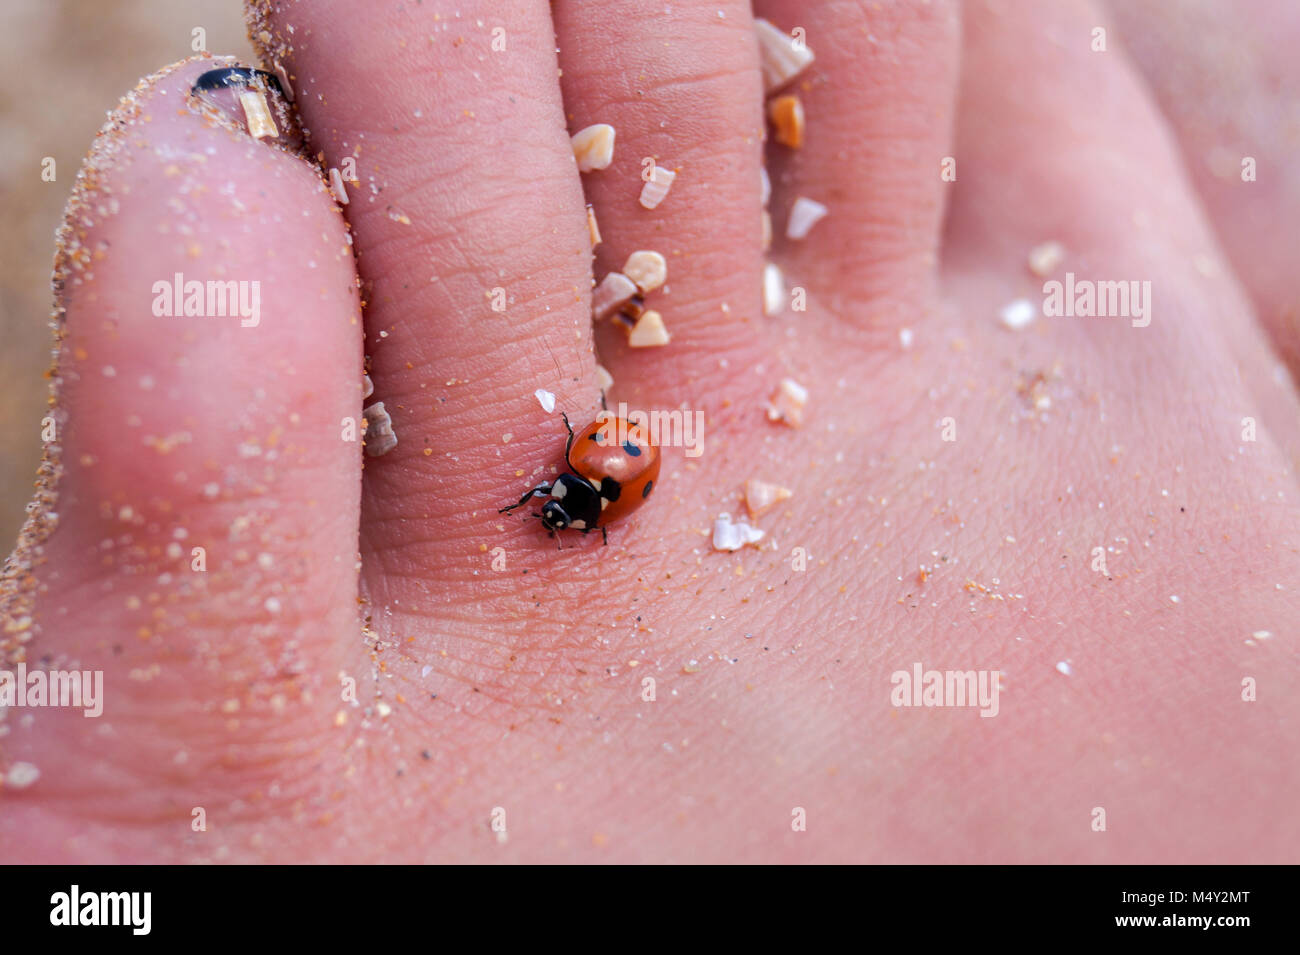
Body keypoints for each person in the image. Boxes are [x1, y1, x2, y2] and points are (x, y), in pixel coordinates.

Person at [1, 0, 1297, 863]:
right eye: (569, 507)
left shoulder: (584, 482)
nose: (559, 517)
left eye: (570, 508)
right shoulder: (588, 481)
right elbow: (583, 474)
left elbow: (580, 475)